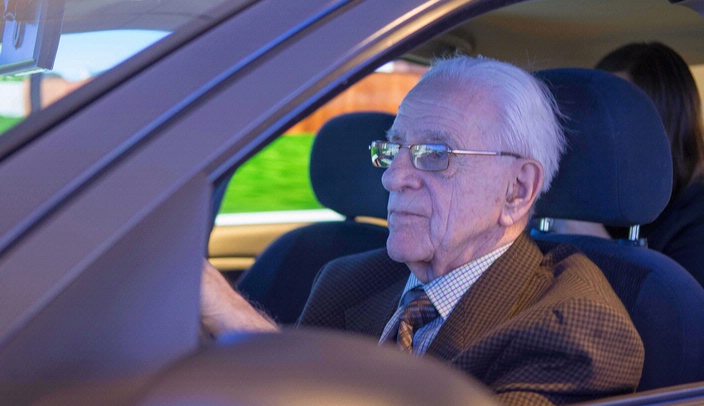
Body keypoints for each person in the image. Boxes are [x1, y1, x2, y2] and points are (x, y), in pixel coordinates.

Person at [201, 56, 644, 405]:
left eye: (433, 153)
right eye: (393, 149)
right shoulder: (346, 280)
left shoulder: (575, 330)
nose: (393, 178)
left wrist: (241, 326)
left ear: (517, 190)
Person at [554, 42, 704, 287]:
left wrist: (591, 238)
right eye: (597, 110)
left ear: (664, 127)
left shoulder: (694, 220)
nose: (600, 129)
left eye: (619, 117)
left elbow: (670, 320)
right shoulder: (588, 192)